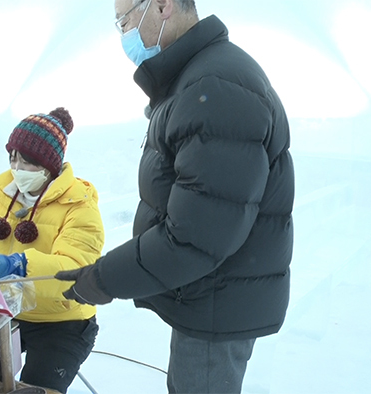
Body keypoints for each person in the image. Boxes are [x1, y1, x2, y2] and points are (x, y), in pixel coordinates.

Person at [56, 1, 295, 393]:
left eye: (124, 20)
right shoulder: (201, 77)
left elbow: (196, 236)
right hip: (210, 294)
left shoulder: (214, 89)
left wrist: (104, 278)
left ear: (163, 7)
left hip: (216, 302)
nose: (124, 34)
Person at [0, 107, 105, 393]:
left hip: (63, 321)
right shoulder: (1, 200)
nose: (16, 168)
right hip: (8, 314)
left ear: (48, 166)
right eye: (12, 158)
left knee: (34, 388)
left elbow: (73, 270)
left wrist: (16, 265)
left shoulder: (80, 207)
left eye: (26, 161)